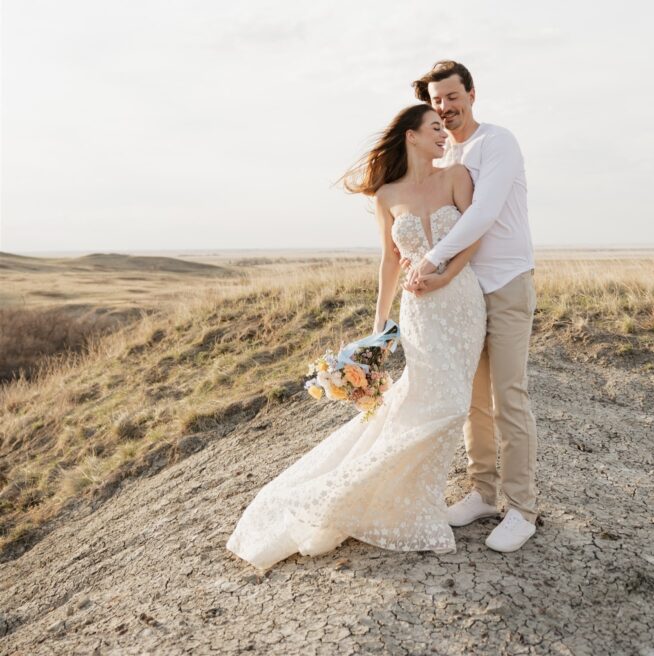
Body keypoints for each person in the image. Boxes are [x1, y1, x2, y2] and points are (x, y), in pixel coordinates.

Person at [225, 104, 487, 571]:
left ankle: (400, 493)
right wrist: (378, 326)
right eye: (434, 128)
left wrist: (447, 278)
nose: (443, 134)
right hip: (420, 311)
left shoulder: (457, 176)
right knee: (428, 401)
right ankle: (387, 498)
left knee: (450, 404)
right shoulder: (387, 195)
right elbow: (389, 260)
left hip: (462, 302)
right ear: (410, 135)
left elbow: (474, 236)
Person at [404, 60, 538, 553]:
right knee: (473, 400)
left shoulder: (497, 142)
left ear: (472, 94)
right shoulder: (442, 158)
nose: (445, 107)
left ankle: (522, 507)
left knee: (509, 395)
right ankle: (482, 492)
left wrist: (433, 260)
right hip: (463, 292)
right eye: (437, 101)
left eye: (452, 97)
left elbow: (484, 212)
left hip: (505, 282)